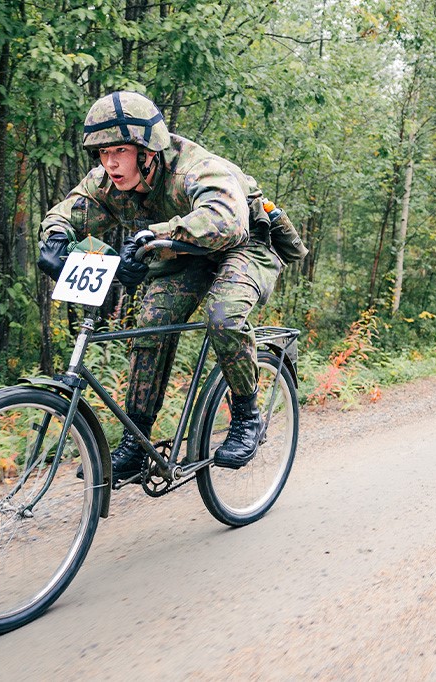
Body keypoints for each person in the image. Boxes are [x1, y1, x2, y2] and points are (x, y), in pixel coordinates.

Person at [38, 91, 306, 483]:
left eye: (119, 150)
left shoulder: (196, 169)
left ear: (147, 150)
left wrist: (152, 235)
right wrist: (56, 238)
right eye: (101, 152)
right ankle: (136, 441)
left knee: (223, 315)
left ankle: (247, 415)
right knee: (150, 323)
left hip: (246, 242)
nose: (109, 162)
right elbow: (70, 210)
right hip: (185, 250)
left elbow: (226, 221)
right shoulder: (110, 180)